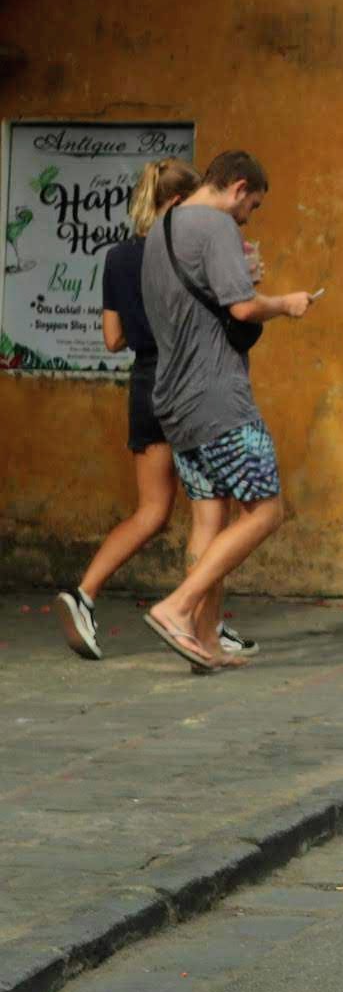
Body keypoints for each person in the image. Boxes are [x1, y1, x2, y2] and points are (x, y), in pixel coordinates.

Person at [139, 150, 316, 671]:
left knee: (209, 520)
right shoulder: (214, 226)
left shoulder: (160, 231)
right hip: (219, 399)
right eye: (252, 206)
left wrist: (242, 272)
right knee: (265, 511)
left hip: (173, 400)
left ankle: (205, 642)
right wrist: (286, 303)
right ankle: (177, 608)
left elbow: (202, 302)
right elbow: (241, 308)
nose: (248, 217)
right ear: (238, 188)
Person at [55, 158, 204, 660]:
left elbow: (113, 338)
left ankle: (84, 593)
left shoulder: (118, 256)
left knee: (153, 511)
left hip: (144, 384)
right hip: (188, 382)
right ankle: (202, 625)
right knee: (213, 509)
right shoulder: (187, 252)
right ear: (179, 203)